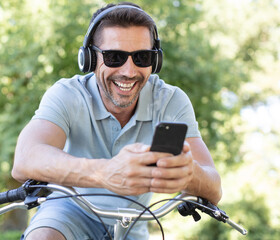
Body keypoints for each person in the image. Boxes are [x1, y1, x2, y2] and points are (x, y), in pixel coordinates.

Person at [12, 2, 222, 239]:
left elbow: (214, 187)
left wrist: (188, 173)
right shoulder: (67, 95)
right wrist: (105, 173)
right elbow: (25, 159)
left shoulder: (170, 102)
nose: (129, 71)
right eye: (114, 57)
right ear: (90, 58)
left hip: (135, 220)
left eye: (142, 57)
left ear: (156, 61)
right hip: (68, 210)